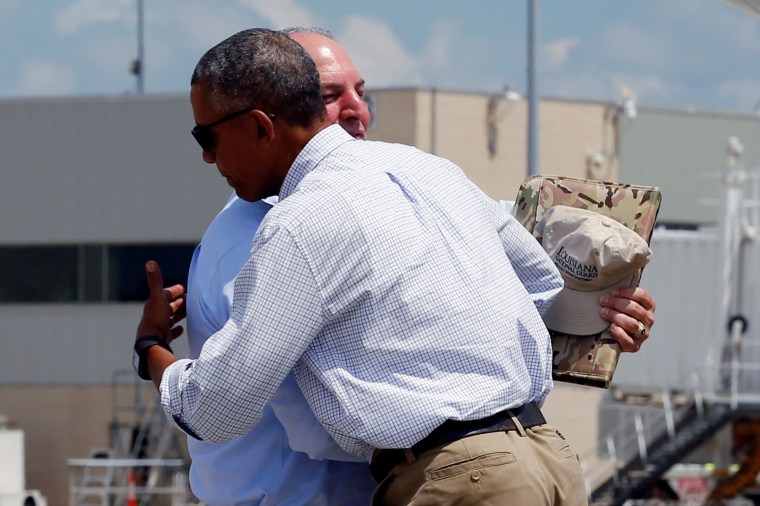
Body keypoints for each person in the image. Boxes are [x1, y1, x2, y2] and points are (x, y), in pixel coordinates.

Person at [134, 28, 656, 504]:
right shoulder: (428, 169)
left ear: (259, 126)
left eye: (207, 138)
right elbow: (542, 283)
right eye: (333, 94)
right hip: (548, 462)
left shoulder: (295, 223)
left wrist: (151, 349)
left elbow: (218, 407)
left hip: (461, 479)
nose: (207, 157)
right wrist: (602, 312)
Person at [180, 28, 374, 505]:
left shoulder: (342, 207)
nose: (357, 110)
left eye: (361, 91)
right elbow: (319, 423)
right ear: (278, 107)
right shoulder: (261, 234)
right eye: (327, 96)